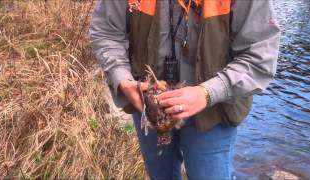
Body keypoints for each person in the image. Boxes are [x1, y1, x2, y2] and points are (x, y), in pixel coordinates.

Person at [89, 0, 280, 179]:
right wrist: (122, 79)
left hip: (213, 113)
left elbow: (260, 56)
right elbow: (106, 32)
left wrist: (207, 92)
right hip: (150, 108)